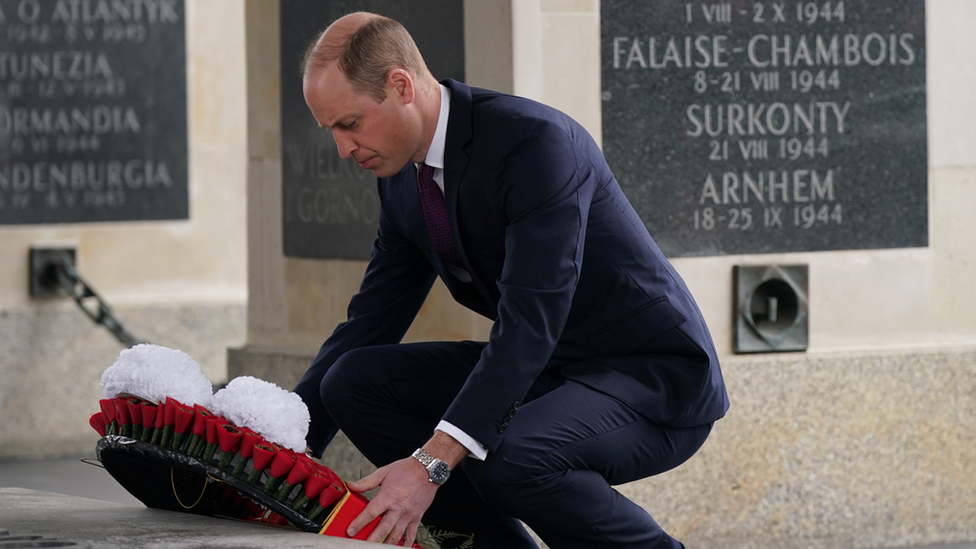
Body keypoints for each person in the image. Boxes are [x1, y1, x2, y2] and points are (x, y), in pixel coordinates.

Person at [294, 12, 729, 549]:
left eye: (350, 123)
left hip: (648, 378)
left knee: (513, 458)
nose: (342, 149)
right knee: (352, 380)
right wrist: (284, 444)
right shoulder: (403, 179)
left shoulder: (534, 143)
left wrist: (430, 462)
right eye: (331, 130)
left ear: (400, 85)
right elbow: (371, 319)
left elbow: (531, 317)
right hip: (549, 373)